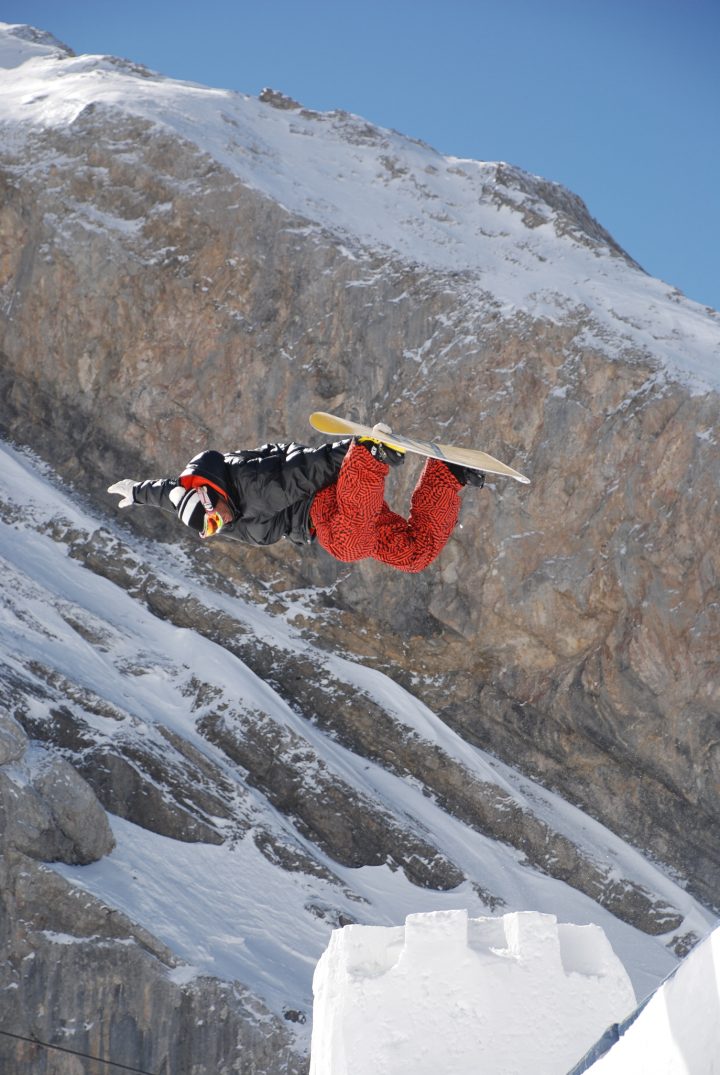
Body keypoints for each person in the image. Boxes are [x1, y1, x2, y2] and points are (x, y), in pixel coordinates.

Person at [107, 429, 484, 574]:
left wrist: (363, 450)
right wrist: (137, 492)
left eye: (212, 520)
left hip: (325, 499)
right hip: (345, 504)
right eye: (210, 530)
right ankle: (447, 475)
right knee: (413, 554)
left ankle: (368, 458)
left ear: (211, 498)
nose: (218, 527)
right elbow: (170, 493)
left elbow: (305, 470)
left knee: (348, 545)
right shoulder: (201, 497)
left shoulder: (256, 490)